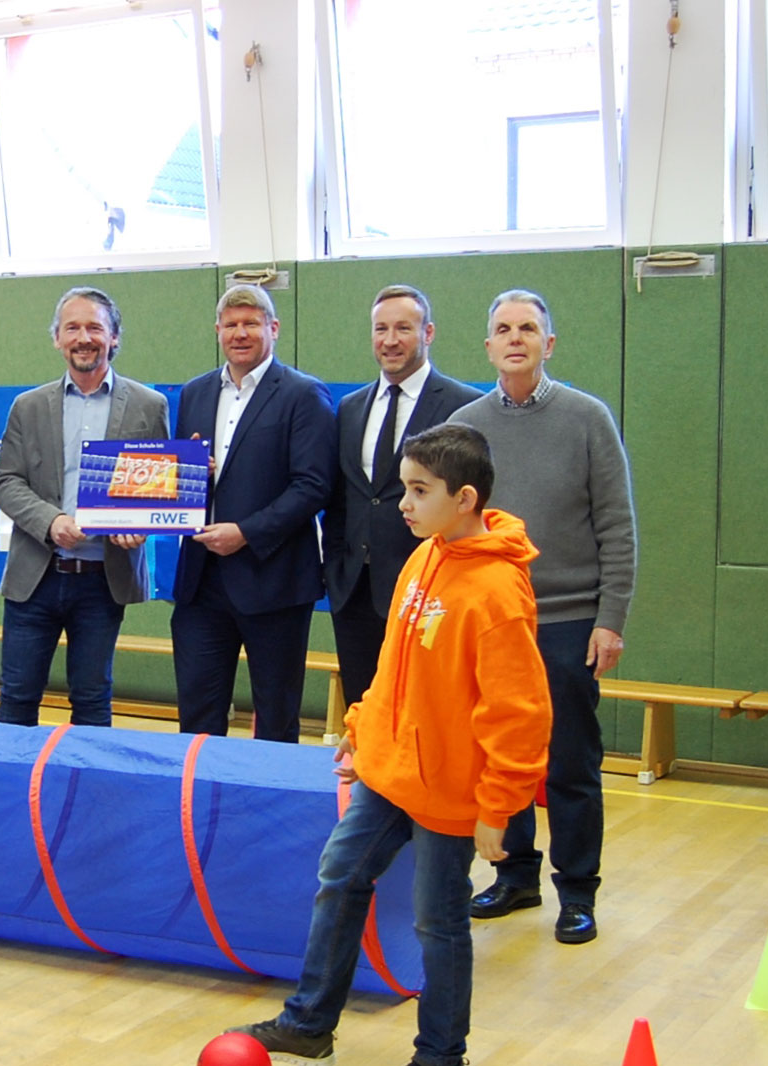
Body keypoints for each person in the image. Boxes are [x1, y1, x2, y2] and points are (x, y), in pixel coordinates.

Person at [224, 423, 552, 1066]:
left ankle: (439, 1053)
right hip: (389, 769)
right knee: (339, 876)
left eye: (418, 490)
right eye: (404, 487)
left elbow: (520, 713)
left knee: (439, 921)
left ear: (464, 499)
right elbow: (393, 667)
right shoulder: (424, 556)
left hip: (450, 791)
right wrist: (362, 728)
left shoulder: (498, 593)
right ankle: (310, 1022)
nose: (403, 502)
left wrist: (498, 807)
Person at [452, 288, 636, 945]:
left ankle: (578, 892)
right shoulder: (467, 423)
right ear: (488, 347)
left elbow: (617, 524)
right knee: (502, 755)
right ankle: (515, 875)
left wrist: (610, 616)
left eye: (528, 327)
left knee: (569, 765)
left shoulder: (588, 418)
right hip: (497, 621)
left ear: (548, 343)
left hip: (566, 619)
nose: (515, 338)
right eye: (502, 328)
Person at [0, 286, 170, 727]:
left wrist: (140, 528)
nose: (83, 337)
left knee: (92, 702)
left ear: (114, 338)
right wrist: (50, 522)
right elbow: (6, 482)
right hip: (36, 577)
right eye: (72, 327)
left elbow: (158, 491)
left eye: (95, 327)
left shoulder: (150, 406)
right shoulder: (27, 407)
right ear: (57, 338)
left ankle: (90, 796)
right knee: (16, 699)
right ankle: (13, 794)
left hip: (102, 582)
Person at [171, 283, 336, 743]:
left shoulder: (304, 395)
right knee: (198, 717)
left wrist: (245, 532)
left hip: (275, 581)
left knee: (276, 718)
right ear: (218, 331)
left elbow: (313, 485)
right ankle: (198, 807)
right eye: (230, 325)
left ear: (274, 328)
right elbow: (184, 478)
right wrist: (186, 477)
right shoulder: (194, 392)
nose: (239, 333)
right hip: (201, 583)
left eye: (250, 323)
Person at [323, 285, 481, 707]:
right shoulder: (350, 408)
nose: (390, 340)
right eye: (381, 329)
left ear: (428, 333)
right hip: (354, 589)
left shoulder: (464, 407)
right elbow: (343, 497)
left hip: (430, 589)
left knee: (427, 709)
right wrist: (336, 565)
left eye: (403, 329)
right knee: (365, 708)